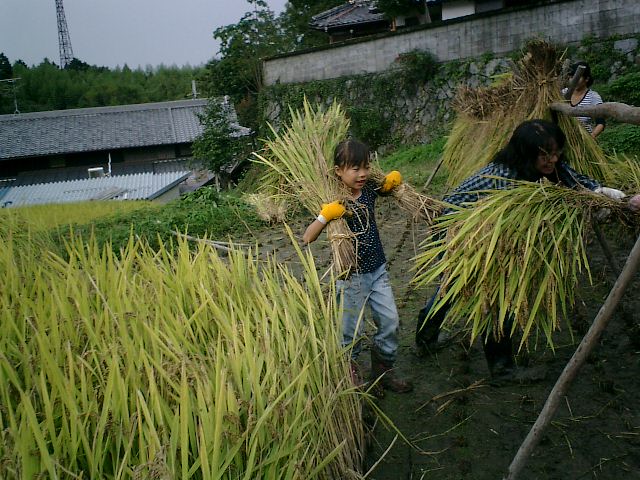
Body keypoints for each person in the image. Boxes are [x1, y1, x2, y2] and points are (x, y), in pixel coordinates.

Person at [415, 119, 625, 379]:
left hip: (483, 230)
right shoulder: (506, 180)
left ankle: (425, 338)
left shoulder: (546, 165)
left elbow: (573, 180)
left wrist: (607, 195)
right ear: (527, 153)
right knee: (493, 292)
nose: (554, 159)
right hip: (458, 231)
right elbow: (504, 231)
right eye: (545, 154)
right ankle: (500, 369)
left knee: (454, 287)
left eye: (557, 151)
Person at [303, 138, 413, 394]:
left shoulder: (370, 189)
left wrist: (391, 182)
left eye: (365, 166)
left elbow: (386, 186)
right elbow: (307, 237)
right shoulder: (334, 201)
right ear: (338, 170)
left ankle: (384, 369)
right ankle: (351, 374)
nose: (362, 173)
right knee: (350, 332)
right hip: (350, 276)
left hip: (378, 270)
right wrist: (325, 215)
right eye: (355, 168)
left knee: (391, 321)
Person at [565, 61, 606, 139]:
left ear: (586, 79)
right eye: (571, 77)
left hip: (584, 140)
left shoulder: (593, 97)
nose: (574, 80)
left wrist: (591, 137)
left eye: (578, 77)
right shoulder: (562, 93)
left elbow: (600, 123)